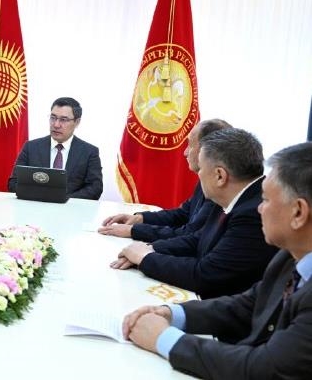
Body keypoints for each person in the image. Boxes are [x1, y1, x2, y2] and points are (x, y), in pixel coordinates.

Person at [123, 142, 312, 379]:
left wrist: (163, 338)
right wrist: (171, 313)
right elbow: (248, 305)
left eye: (265, 200)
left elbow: (265, 368)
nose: (260, 209)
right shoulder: (289, 256)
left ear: (298, 212)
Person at [111, 128, 278, 298]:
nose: (199, 175)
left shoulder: (254, 213)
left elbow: (205, 275)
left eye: (201, 169)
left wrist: (146, 258)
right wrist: (149, 248)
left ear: (220, 176)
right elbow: (197, 239)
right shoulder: (234, 195)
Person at [98, 119, 231, 242]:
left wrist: (134, 231)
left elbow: (189, 235)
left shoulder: (220, 188)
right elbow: (183, 214)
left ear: (207, 150)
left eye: (190, 145)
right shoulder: (206, 178)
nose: (185, 153)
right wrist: (141, 218)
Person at [6, 97, 102, 199]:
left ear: (77, 122)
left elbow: (95, 188)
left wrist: (64, 200)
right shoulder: (31, 147)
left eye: (63, 120)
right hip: (36, 206)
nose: (56, 125)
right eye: (53, 118)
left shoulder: (89, 152)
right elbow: (13, 183)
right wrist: (42, 197)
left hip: (70, 207)